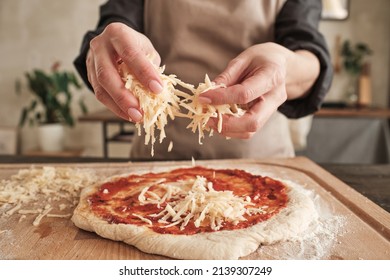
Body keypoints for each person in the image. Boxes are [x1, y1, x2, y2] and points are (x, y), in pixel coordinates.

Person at [74, 0, 333, 160]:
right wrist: (106, 51)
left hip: (260, 161)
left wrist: (285, 68)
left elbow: (308, 53)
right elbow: (114, 26)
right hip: (158, 159)